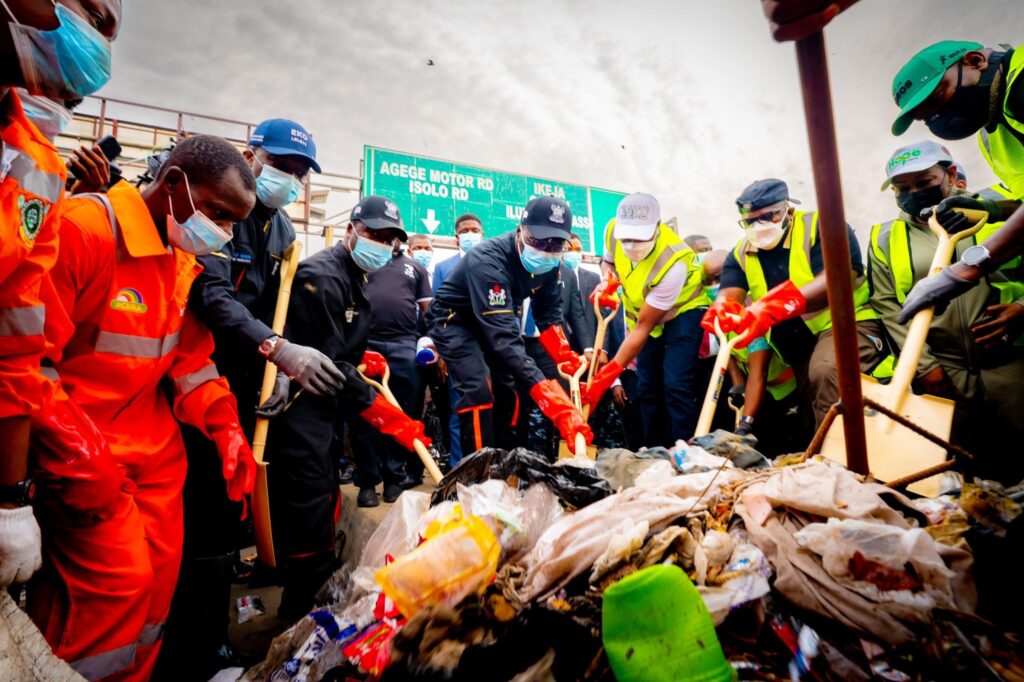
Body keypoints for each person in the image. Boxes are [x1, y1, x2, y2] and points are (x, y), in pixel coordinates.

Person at [28, 135, 257, 681]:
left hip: (153, 460)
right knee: (110, 592)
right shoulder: (85, 229)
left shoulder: (178, 258)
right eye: (219, 214)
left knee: (155, 590)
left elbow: (190, 361)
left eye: (232, 224)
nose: (222, 233)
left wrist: (226, 428)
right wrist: (79, 460)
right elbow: (27, 362)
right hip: (81, 454)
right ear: (174, 183)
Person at [159, 119, 332, 677]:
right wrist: (276, 349)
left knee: (227, 506)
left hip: (240, 381)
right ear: (254, 156)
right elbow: (208, 296)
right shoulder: (219, 212)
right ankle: (192, 643)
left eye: (302, 171)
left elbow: (272, 305)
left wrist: (272, 368)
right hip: (189, 374)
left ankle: (209, 631)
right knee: (200, 505)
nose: (293, 177)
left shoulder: (280, 230)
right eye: (285, 164)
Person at [0, 0, 121, 591]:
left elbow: (16, 342)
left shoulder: (35, 166)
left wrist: (9, 497)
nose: (102, 38)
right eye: (95, 14)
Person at [262, 195, 430, 619]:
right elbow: (329, 367)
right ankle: (300, 613)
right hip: (301, 410)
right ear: (352, 229)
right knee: (310, 505)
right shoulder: (323, 276)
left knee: (323, 497)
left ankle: (309, 590)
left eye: (390, 238)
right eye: (374, 233)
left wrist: (361, 361)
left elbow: (342, 351)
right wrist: (392, 419)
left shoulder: (354, 277)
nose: (382, 243)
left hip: (322, 411)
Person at [869, 140, 1024, 482]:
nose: (913, 193)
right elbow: (886, 304)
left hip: (1008, 357)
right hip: (945, 366)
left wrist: (1022, 308)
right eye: (902, 188)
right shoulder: (883, 238)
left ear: (950, 173)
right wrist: (926, 366)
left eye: (924, 182)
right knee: (963, 462)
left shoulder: (999, 212)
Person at [700, 179, 890, 429]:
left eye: (768, 216)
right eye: (750, 221)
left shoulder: (822, 225)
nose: (759, 226)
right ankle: (818, 459)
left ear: (788, 210)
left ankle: (840, 462)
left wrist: (774, 306)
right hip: (799, 347)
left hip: (847, 323)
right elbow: (729, 294)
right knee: (811, 406)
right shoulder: (740, 254)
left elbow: (838, 280)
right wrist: (723, 308)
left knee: (826, 371)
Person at [426, 196, 593, 456]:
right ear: (520, 231)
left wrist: (563, 353)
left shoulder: (550, 263)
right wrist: (556, 405)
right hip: (456, 322)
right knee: (479, 389)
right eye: (538, 241)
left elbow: (548, 313)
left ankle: (505, 462)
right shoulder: (488, 261)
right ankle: (478, 475)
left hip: (496, 322)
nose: (547, 249)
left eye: (556, 244)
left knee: (510, 391)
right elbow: (504, 339)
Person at [890, 40, 1024, 320]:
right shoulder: (992, 135)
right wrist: (994, 210)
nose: (937, 119)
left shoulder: (1021, 81)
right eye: (924, 118)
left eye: (936, 100)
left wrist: (965, 269)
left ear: (976, 62)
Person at [582, 193, 708, 446]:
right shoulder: (612, 231)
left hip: (682, 312)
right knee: (647, 385)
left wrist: (607, 374)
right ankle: (654, 450)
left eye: (639, 239)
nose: (630, 245)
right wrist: (608, 280)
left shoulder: (675, 260)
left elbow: (643, 328)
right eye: (626, 238)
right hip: (645, 314)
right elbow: (607, 262)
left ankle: (685, 449)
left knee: (676, 383)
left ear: (657, 229)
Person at [351, 237, 432, 506]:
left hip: (404, 345)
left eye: (394, 234)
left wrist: (431, 343)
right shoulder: (363, 262)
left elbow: (427, 311)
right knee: (365, 414)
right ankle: (367, 482)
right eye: (383, 234)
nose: (390, 239)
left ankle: (394, 479)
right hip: (367, 344)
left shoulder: (414, 268)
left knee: (401, 414)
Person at [516, 238, 592, 459]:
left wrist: (586, 347)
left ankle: (557, 455)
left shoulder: (564, 273)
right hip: (518, 344)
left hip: (550, 345)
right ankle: (520, 454)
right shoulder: (521, 266)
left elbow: (576, 313)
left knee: (559, 398)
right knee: (520, 402)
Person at [431, 214, 483, 465]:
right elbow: (438, 314)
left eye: (475, 230)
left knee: (487, 411)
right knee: (457, 411)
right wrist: (441, 353)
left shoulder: (491, 264)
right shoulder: (443, 268)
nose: (470, 234)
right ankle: (457, 469)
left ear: (482, 234)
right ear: (456, 237)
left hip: (488, 351)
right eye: (465, 230)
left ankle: (485, 469)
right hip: (457, 352)